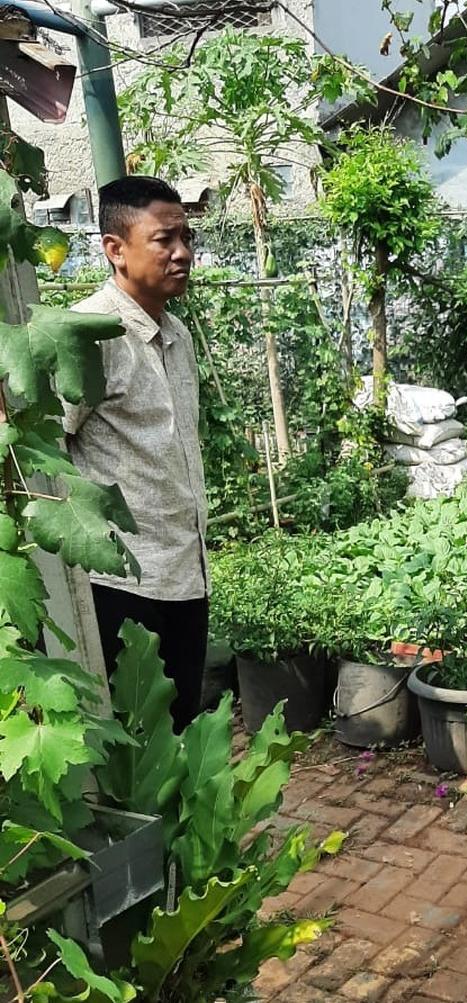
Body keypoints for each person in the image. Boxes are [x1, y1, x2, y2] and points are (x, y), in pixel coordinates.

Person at [64, 176, 207, 732]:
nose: (182, 254)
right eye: (165, 239)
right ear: (115, 249)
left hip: (185, 571)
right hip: (120, 584)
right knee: (134, 746)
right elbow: (43, 452)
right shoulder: (89, 336)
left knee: (180, 729)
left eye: (187, 238)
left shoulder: (176, 336)